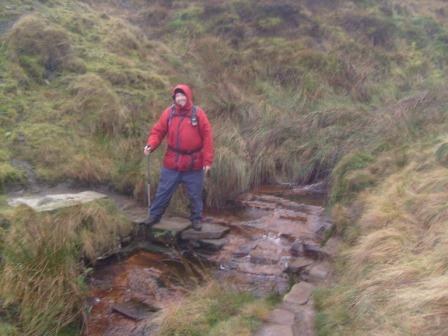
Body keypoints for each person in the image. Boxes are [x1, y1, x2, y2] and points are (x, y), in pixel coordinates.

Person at [143, 84, 214, 231]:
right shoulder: (169, 113)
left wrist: (207, 161)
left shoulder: (198, 114)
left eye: (183, 95)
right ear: (174, 98)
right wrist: (151, 145)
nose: (180, 98)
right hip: (172, 162)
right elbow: (158, 131)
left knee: (195, 195)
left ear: (188, 97)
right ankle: (154, 216)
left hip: (193, 164)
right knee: (163, 192)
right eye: (177, 96)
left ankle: (196, 219)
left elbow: (207, 138)